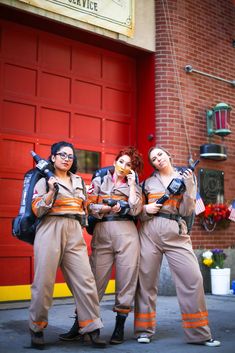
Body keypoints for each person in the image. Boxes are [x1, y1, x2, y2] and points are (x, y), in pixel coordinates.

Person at [134, 146, 221, 347]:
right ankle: (144, 330)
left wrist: (190, 185)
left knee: (193, 278)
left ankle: (200, 333)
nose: (158, 159)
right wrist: (146, 209)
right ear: (152, 164)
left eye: (160, 155)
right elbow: (138, 212)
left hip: (176, 232)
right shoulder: (147, 183)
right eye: (153, 158)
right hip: (149, 232)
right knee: (146, 281)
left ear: (169, 155)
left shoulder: (185, 178)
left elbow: (187, 210)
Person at [59, 146, 144, 344]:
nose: (123, 166)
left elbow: (135, 208)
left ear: (133, 169)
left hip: (127, 234)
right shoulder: (99, 180)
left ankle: (120, 327)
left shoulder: (135, 186)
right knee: (93, 281)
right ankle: (80, 324)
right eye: (121, 161)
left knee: (126, 280)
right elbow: (88, 205)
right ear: (115, 162)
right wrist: (107, 208)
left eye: (129, 165)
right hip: (102, 233)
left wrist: (132, 185)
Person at [29, 141, 106, 349]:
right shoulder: (43, 179)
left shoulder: (79, 180)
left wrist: (107, 208)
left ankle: (91, 328)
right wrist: (52, 191)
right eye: (62, 155)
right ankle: (37, 328)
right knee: (44, 281)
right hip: (50, 228)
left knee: (85, 280)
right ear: (53, 157)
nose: (66, 159)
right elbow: (38, 209)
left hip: (74, 230)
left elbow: (87, 206)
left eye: (70, 156)